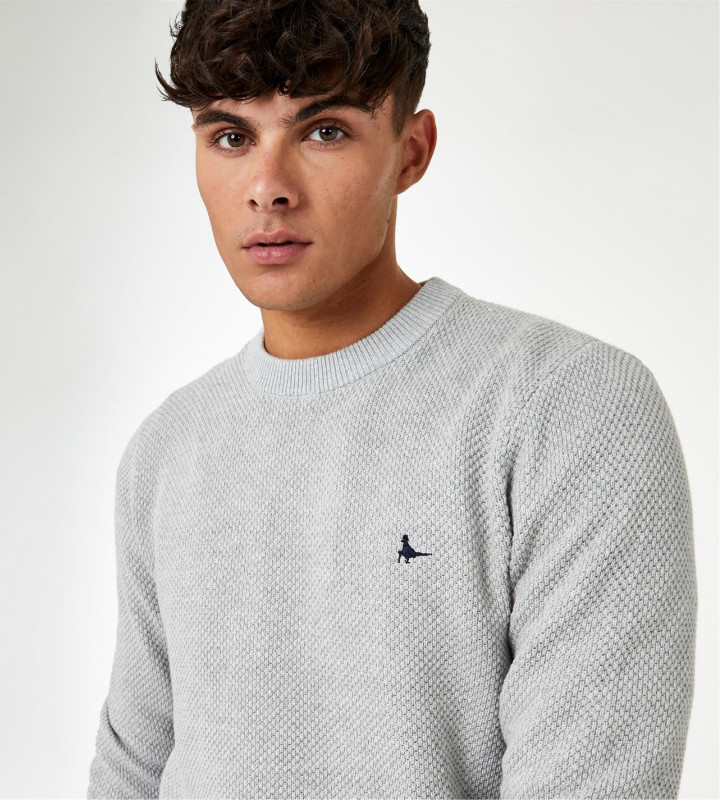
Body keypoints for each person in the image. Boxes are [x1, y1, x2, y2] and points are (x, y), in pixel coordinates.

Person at [86, 1, 698, 797]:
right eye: (231, 137)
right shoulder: (166, 450)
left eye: (324, 131)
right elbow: (134, 771)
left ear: (412, 152)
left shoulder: (572, 409)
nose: (268, 188)